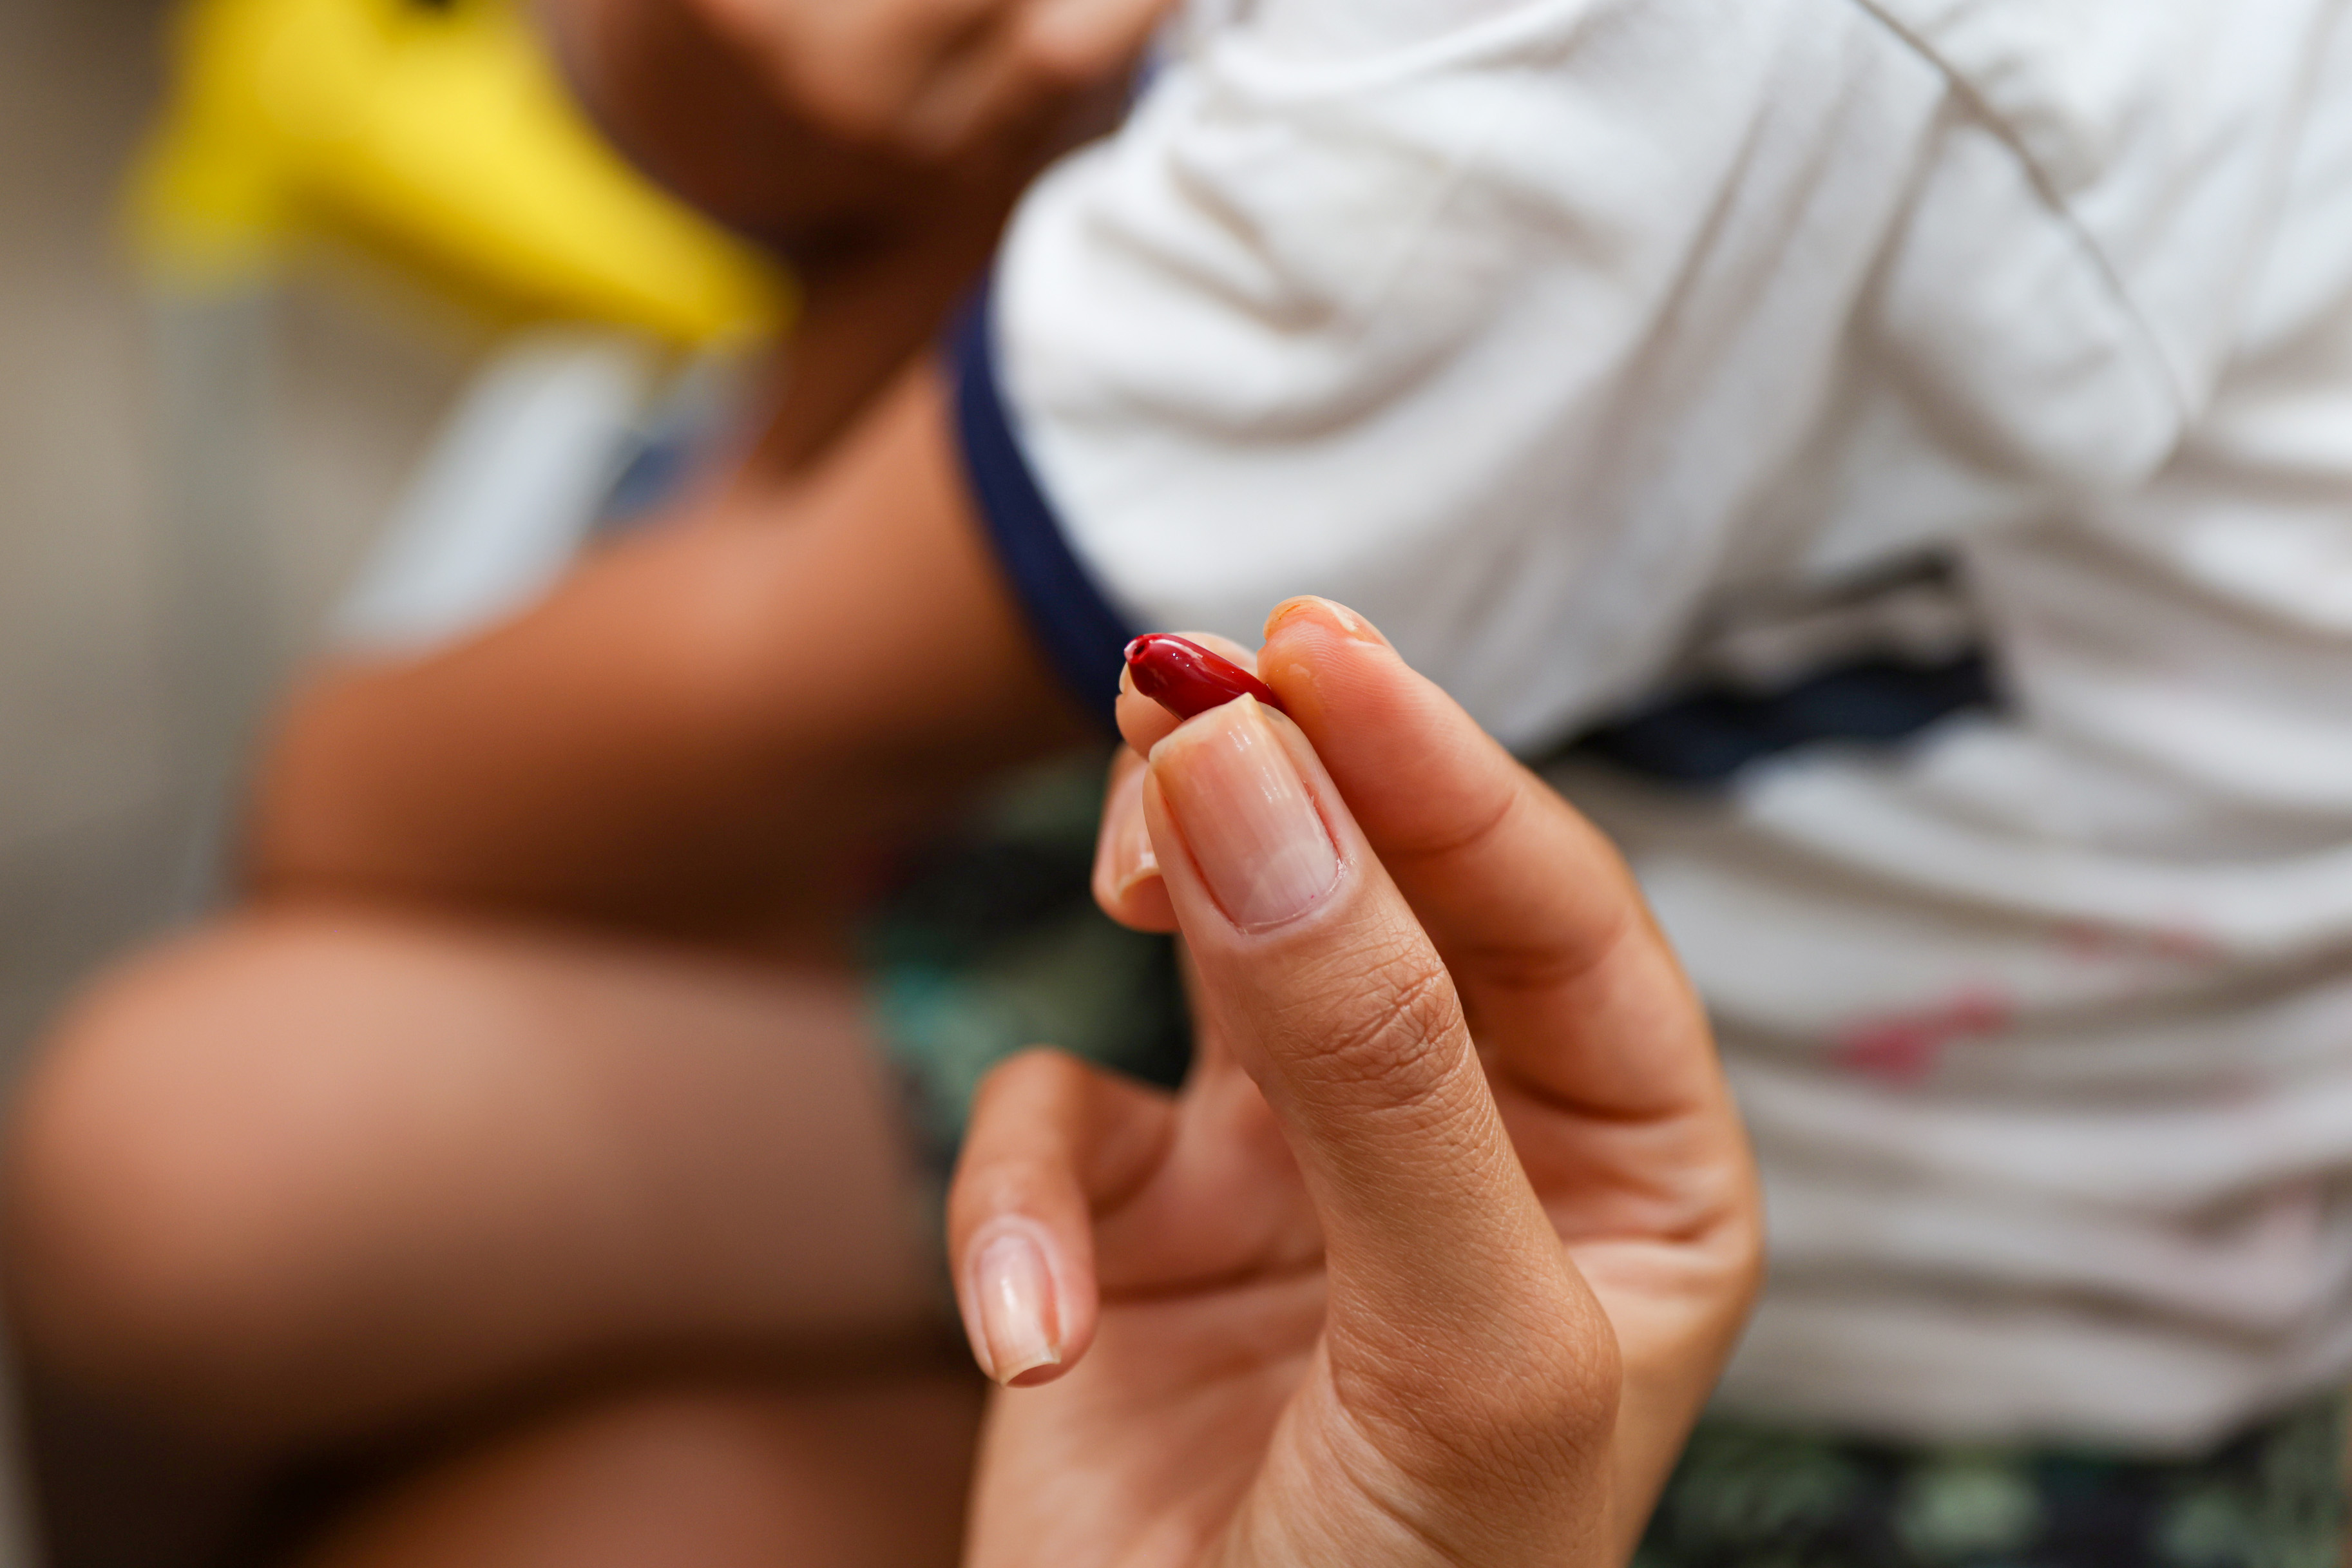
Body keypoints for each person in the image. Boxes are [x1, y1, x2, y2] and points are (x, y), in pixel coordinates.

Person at [16, 0, 2352, 1560]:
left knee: (385, 1349)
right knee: (190, 1172)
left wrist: (789, 120)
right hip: (1545, 941)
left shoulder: (1638, 69)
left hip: (1953, 1288)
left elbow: (398, 795)